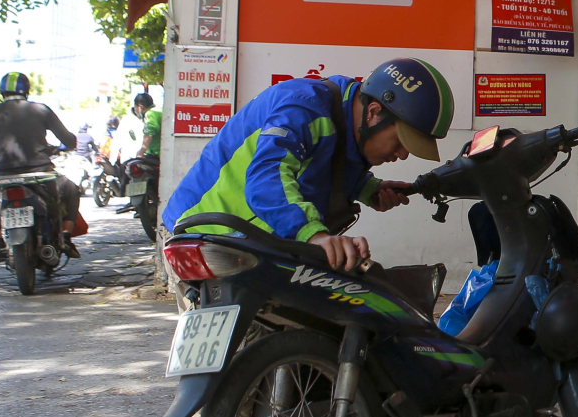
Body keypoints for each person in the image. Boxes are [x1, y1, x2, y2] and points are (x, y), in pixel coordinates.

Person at [161, 58, 452, 271]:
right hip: (201, 237)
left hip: (251, 244)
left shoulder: (342, 120)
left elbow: (324, 163)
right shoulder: (303, 107)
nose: (402, 155)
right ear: (374, 113)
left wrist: (368, 188)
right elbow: (267, 180)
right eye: (400, 142)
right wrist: (316, 236)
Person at [0, 73, 86, 261]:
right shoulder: (41, 110)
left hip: (4, 177)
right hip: (41, 174)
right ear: (26, 91)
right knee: (71, 190)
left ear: (2, 92)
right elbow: (69, 140)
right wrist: (62, 147)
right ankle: (66, 237)